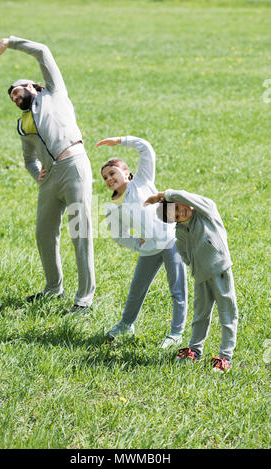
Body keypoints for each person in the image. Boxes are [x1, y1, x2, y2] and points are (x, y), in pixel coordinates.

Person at [0, 36, 95, 312]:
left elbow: (43, 51)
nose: (15, 97)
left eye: (16, 91)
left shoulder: (54, 92)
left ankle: (84, 299)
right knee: (44, 234)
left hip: (74, 167)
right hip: (50, 179)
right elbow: (28, 158)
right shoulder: (23, 124)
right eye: (11, 97)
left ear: (30, 86)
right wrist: (38, 173)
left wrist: (10, 42)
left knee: (80, 233)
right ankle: (53, 289)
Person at [97, 136, 187, 348]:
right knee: (137, 289)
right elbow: (118, 234)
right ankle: (126, 324)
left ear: (126, 172)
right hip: (148, 250)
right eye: (105, 177)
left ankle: (176, 333)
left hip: (171, 241)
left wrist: (120, 141)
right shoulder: (114, 206)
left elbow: (145, 149)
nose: (109, 178)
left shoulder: (142, 181)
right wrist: (138, 244)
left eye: (112, 173)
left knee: (177, 289)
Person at [144, 189, 239, 371]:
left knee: (227, 312)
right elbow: (183, 251)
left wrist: (165, 195)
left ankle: (225, 357)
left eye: (179, 207)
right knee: (200, 314)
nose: (181, 213)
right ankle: (195, 350)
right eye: (177, 216)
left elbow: (186, 196)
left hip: (220, 270)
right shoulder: (180, 230)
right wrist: (194, 264)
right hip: (201, 275)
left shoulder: (206, 211)